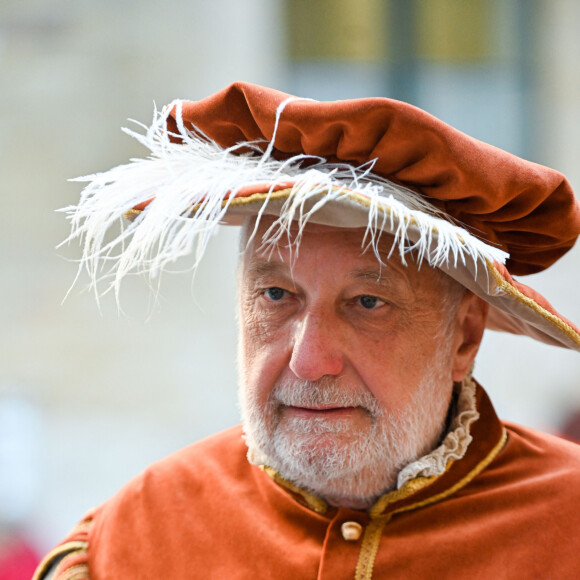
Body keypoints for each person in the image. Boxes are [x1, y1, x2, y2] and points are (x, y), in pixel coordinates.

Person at [34, 82, 580, 579]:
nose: (308, 360)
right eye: (276, 295)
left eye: (368, 302)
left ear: (464, 337)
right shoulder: (134, 537)